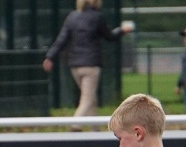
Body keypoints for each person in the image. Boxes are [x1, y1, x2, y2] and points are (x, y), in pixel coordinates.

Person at [42, 0, 133, 128]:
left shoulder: (72, 17)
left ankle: (95, 130)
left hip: (75, 65)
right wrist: (122, 30)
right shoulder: (97, 17)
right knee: (87, 100)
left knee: (91, 98)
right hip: (91, 65)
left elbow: (61, 39)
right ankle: (75, 126)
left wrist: (50, 57)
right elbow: (110, 36)